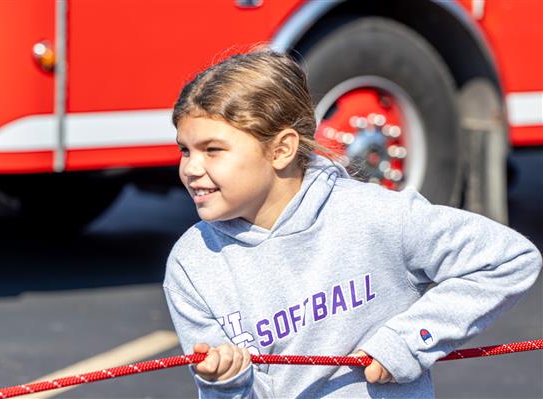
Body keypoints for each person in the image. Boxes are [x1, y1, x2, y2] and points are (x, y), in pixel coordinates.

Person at [162, 49, 542, 398]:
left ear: (281, 150)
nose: (191, 169)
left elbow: (510, 260)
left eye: (212, 150)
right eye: (185, 150)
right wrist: (225, 381)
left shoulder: (376, 216)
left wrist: (409, 340)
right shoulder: (192, 264)